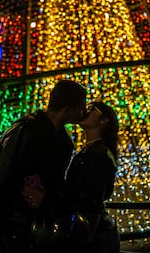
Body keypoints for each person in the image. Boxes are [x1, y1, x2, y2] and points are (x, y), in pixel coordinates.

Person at [0, 79, 87, 253]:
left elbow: (54, 185)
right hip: (14, 226)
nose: (84, 112)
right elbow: (1, 180)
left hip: (40, 228)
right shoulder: (27, 131)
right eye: (81, 107)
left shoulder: (63, 142)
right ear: (67, 110)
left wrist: (46, 197)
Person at [55, 101, 120, 253]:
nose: (86, 111)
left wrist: (57, 201)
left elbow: (91, 196)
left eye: (91, 109)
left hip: (94, 236)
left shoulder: (100, 155)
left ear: (104, 121)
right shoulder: (88, 151)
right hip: (88, 230)